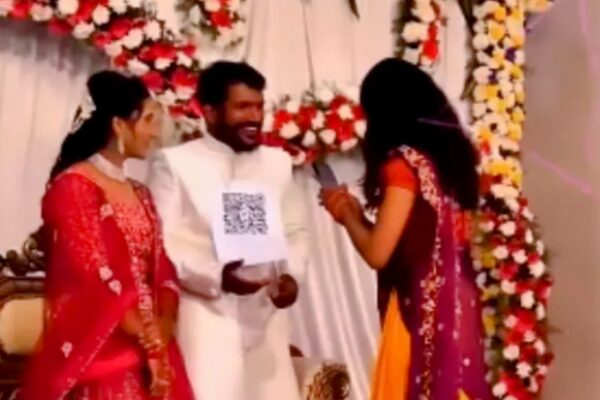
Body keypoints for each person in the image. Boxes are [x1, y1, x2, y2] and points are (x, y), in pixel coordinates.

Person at [320, 58, 492, 399]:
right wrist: (358, 215)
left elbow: (378, 253)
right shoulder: (455, 161)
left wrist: (345, 213)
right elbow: (419, 241)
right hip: (460, 312)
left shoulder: (404, 165)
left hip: (418, 316)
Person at [20, 71, 194, 400]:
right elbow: (92, 273)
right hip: (102, 344)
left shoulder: (141, 194)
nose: (154, 133)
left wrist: (163, 328)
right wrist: (144, 337)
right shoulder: (74, 187)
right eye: (148, 120)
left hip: (152, 342)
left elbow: (163, 269)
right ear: (118, 125)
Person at [146, 61, 309, 400]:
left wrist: (291, 276)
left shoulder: (276, 162)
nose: (255, 117)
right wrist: (216, 276)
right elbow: (162, 242)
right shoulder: (176, 163)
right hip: (206, 315)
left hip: (266, 319)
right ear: (209, 112)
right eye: (243, 107)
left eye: (259, 106)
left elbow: (295, 230)